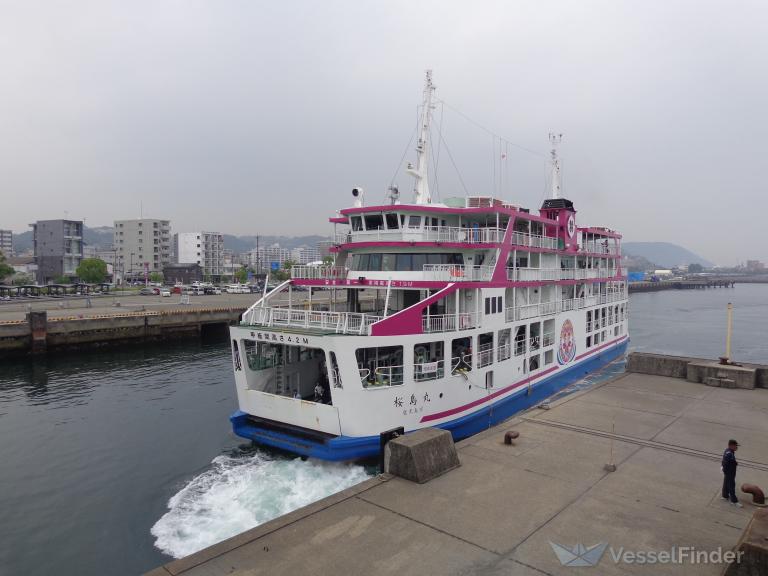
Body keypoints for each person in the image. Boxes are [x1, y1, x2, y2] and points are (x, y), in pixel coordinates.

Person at [721, 439, 743, 507]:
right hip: (730, 472)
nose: (737, 447)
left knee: (726, 483)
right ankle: (734, 501)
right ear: (731, 446)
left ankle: (725, 496)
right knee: (731, 486)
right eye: (735, 446)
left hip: (729, 472)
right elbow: (725, 462)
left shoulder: (730, 451)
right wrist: (726, 471)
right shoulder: (729, 454)